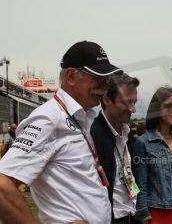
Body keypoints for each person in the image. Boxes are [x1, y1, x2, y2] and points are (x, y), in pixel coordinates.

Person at [0, 40, 123, 223]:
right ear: (72, 77)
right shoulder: (49, 118)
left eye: (108, 79)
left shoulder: (82, 116)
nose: (105, 86)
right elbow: (2, 185)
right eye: (99, 78)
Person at [131, 86, 172, 224]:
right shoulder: (143, 143)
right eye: (169, 106)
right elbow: (141, 184)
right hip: (161, 210)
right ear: (156, 109)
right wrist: (143, 214)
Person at [90, 73, 140, 224]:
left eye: (134, 102)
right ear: (106, 99)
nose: (133, 109)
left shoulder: (128, 132)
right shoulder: (92, 134)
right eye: (126, 102)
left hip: (132, 214)